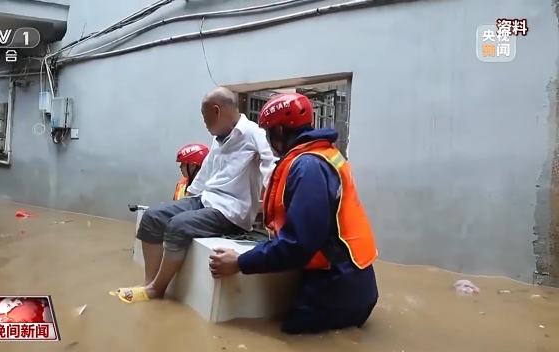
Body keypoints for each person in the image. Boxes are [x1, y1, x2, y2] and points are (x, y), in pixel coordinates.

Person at [209, 92, 379, 334]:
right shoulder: (319, 157)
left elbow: (299, 244)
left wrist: (240, 262)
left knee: (290, 339)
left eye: (268, 133)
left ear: (278, 131)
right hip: (352, 280)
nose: (267, 141)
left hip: (337, 285)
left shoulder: (307, 167)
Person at [111, 87, 276, 303]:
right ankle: (147, 283)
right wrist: (188, 198)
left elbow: (270, 167)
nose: (205, 123)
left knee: (178, 225)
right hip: (205, 200)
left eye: (204, 116)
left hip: (229, 212)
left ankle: (157, 289)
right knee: (153, 217)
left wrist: (273, 205)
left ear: (216, 110)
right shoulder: (219, 138)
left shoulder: (254, 134)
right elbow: (205, 172)